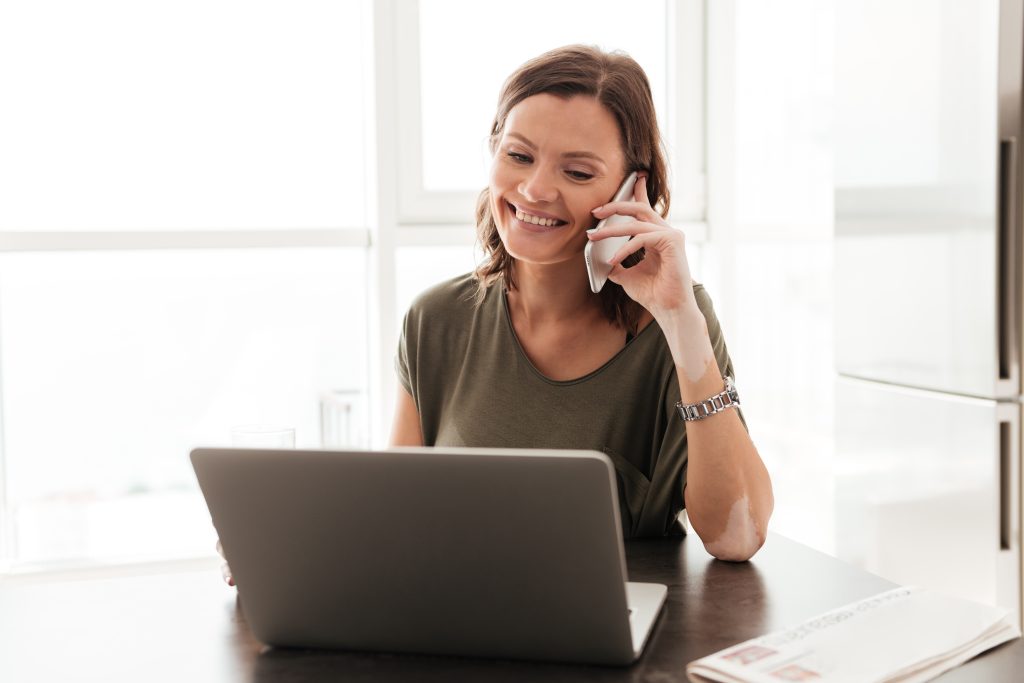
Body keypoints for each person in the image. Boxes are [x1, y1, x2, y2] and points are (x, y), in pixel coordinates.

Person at [390, 45, 773, 561]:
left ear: (631, 189)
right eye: (518, 156)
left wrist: (682, 321)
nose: (534, 189)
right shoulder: (435, 320)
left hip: (623, 628)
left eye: (577, 172)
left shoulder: (676, 322)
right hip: (462, 621)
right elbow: (394, 517)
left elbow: (737, 537)